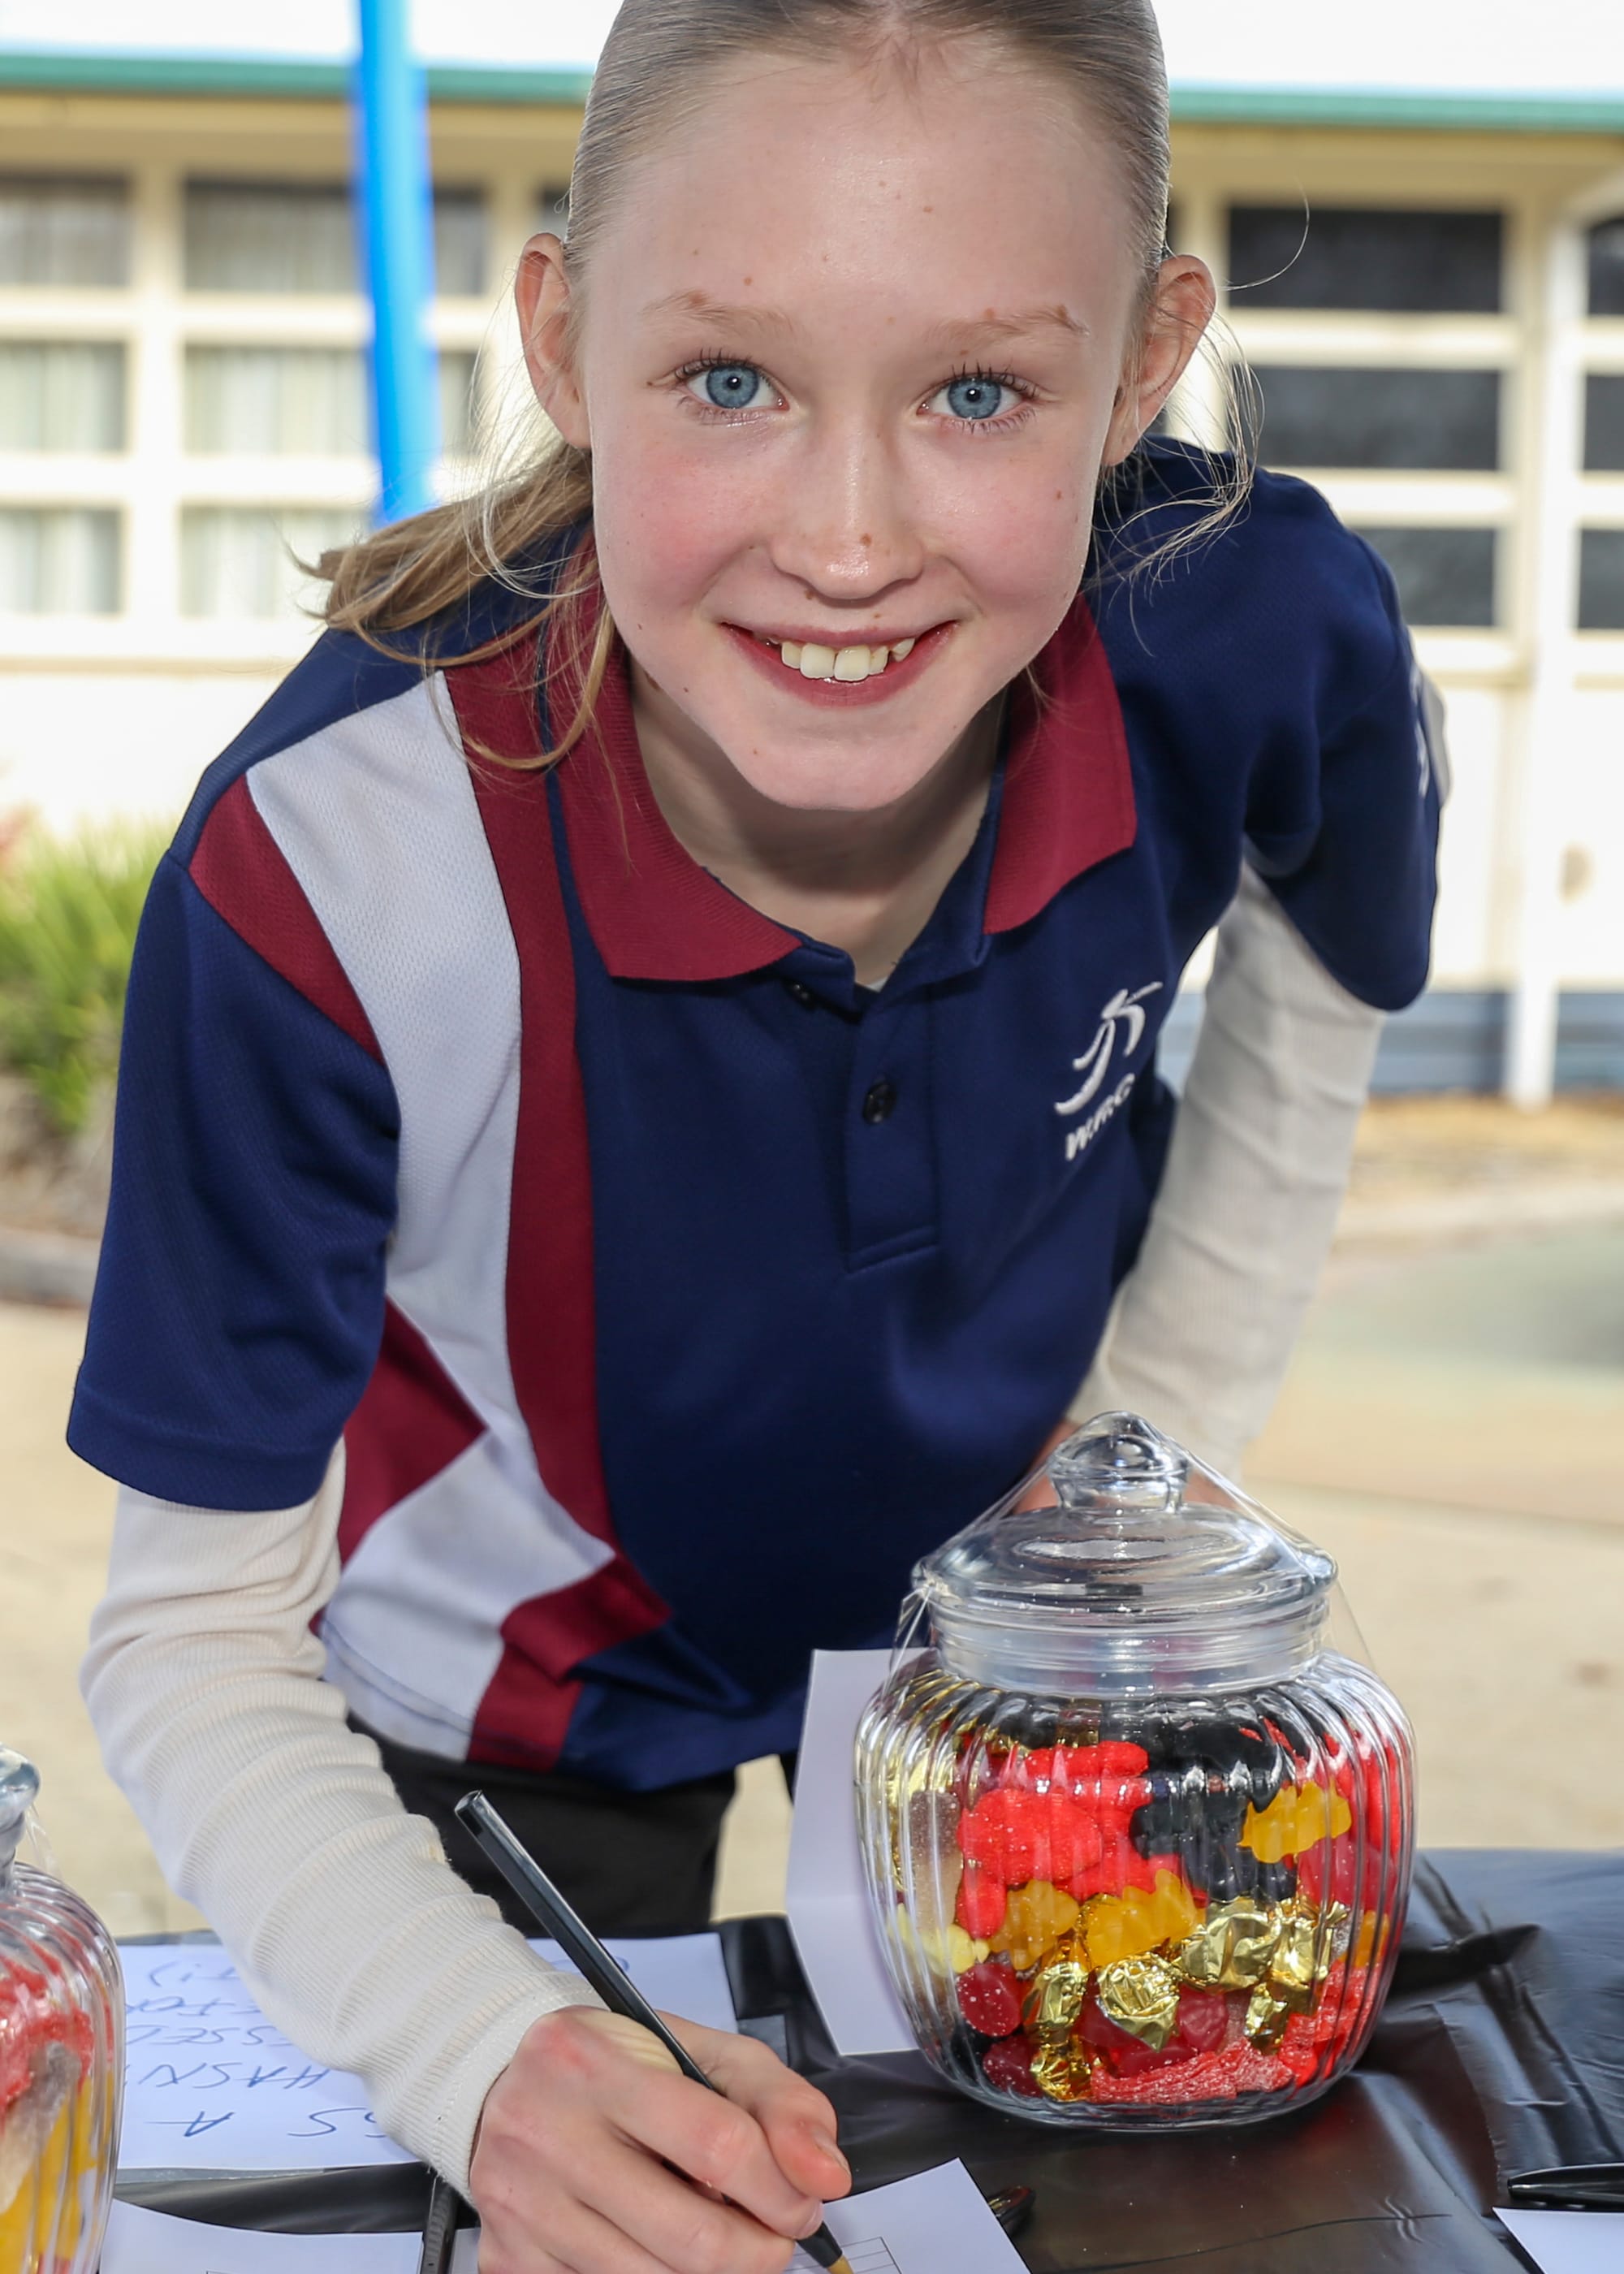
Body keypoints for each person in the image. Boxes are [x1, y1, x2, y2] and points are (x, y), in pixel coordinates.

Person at [74, 2, 1442, 2268]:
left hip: (975, 1657)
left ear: (1141, 373)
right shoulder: (322, 859)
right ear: (560, 337)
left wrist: (1144, 1449)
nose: (845, 539)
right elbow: (193, 1641)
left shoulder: (1258, 628)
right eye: (729, 382)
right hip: (490, 1708)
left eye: (978, 392)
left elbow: (1335, 977)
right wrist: (478, 2061)